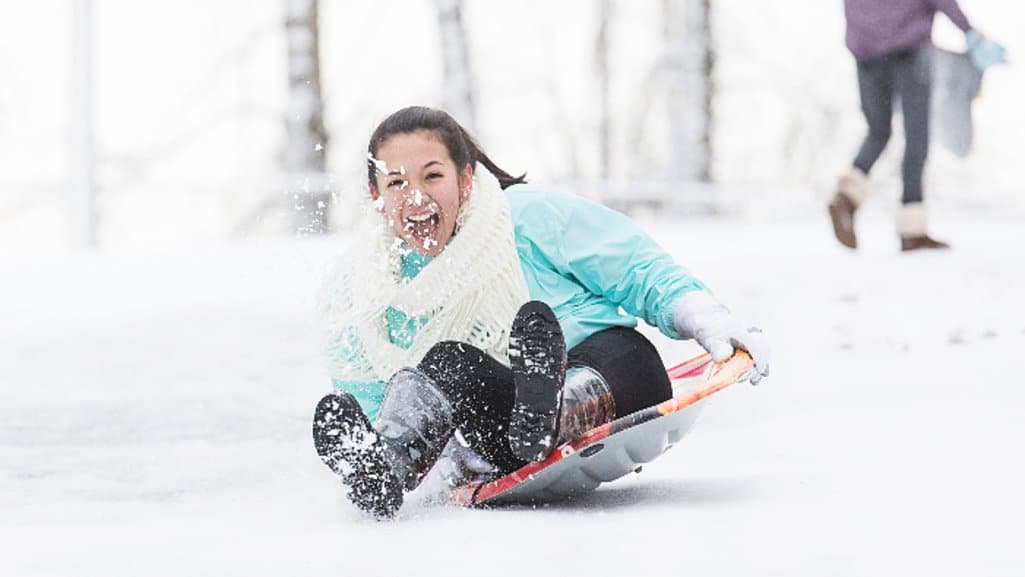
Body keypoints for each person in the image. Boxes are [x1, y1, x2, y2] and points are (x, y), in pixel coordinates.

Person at [312, 106, 770, 519]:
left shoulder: (523, 216)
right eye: (396, 182)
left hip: (612, 378)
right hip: (509, 431)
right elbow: (379, 393)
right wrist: (444, 460)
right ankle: (386, 468)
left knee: (625, 352)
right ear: (376, 192)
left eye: (432, 176)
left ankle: (555, 409)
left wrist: (704, 317)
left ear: (465, 179)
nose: (415, 197)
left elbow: (632, 266)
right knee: (448, 363)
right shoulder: (366, 289)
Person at [829, 0, 1006, 252]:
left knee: (878, 132)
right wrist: (971, 33)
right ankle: (911, 230)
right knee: (916, 140)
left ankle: (846, 197)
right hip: (907, 52)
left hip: (866, 53)